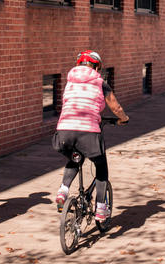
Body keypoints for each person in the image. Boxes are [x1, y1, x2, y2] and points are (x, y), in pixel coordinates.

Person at [52, 50, 129, 221]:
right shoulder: (101, 83)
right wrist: (124, 118)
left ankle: (63, 190)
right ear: (96, 66)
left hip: (64, 131)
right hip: (88, 131)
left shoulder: (70, 81)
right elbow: (115, 107)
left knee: (75, 158)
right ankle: (101, 208)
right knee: (101, 166)